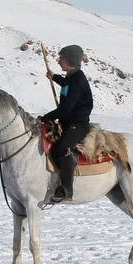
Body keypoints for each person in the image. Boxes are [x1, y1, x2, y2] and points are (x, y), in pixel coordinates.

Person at [40, 44, 93, 203]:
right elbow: (66, 85)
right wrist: (54, 77)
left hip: (78, 124)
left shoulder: (78, 79)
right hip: (67, 122)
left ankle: (67, 190)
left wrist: (44, 118)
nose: (58, 60)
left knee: (63, 147)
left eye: (61, 58)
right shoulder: (71, 77)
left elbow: (65, 109)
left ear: (70, 60)